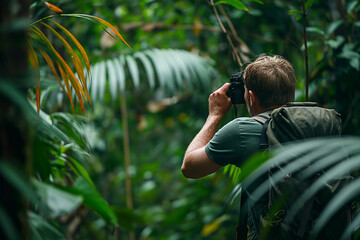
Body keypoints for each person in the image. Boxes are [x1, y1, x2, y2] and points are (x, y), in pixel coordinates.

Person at [181, 54, 297, 239]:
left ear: (250, 97)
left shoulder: (243, 131)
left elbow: (190, 167)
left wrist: (215, 115)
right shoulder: (319, 123)